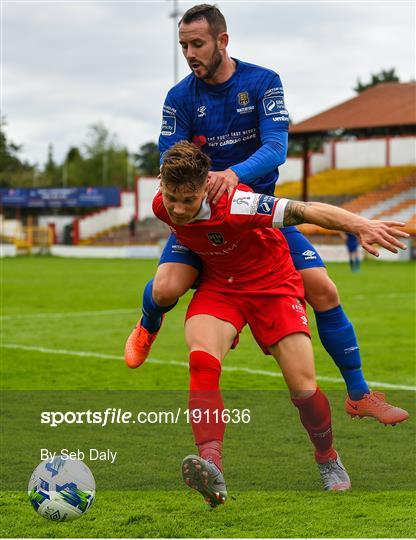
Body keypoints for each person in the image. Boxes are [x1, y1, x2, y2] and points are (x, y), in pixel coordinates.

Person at [125, 3, 408, 424]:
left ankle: (360, 395)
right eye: (183, 45)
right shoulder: (180, 97)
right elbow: (168, 154)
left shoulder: (262, 82)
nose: (189, 53)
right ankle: (148, 324)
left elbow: (276, 147)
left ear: (223, 40)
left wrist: (233, 175)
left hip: (257, 216)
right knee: (166, 289)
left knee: (325, 290)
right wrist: (200, 186)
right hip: (202, 217)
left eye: (197, 43)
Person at [143, 141, 408, 506]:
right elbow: (175, 242)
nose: (177, 208)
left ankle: (327, 457)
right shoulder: (163, 205)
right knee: (202, 360)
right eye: (171, 198)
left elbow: (306, 210)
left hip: (272, 285)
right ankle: (210, 465)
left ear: (206, 187)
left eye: (188, 201)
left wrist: (360, 224)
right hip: (221, 287)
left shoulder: (239, 203)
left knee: (303, 388)